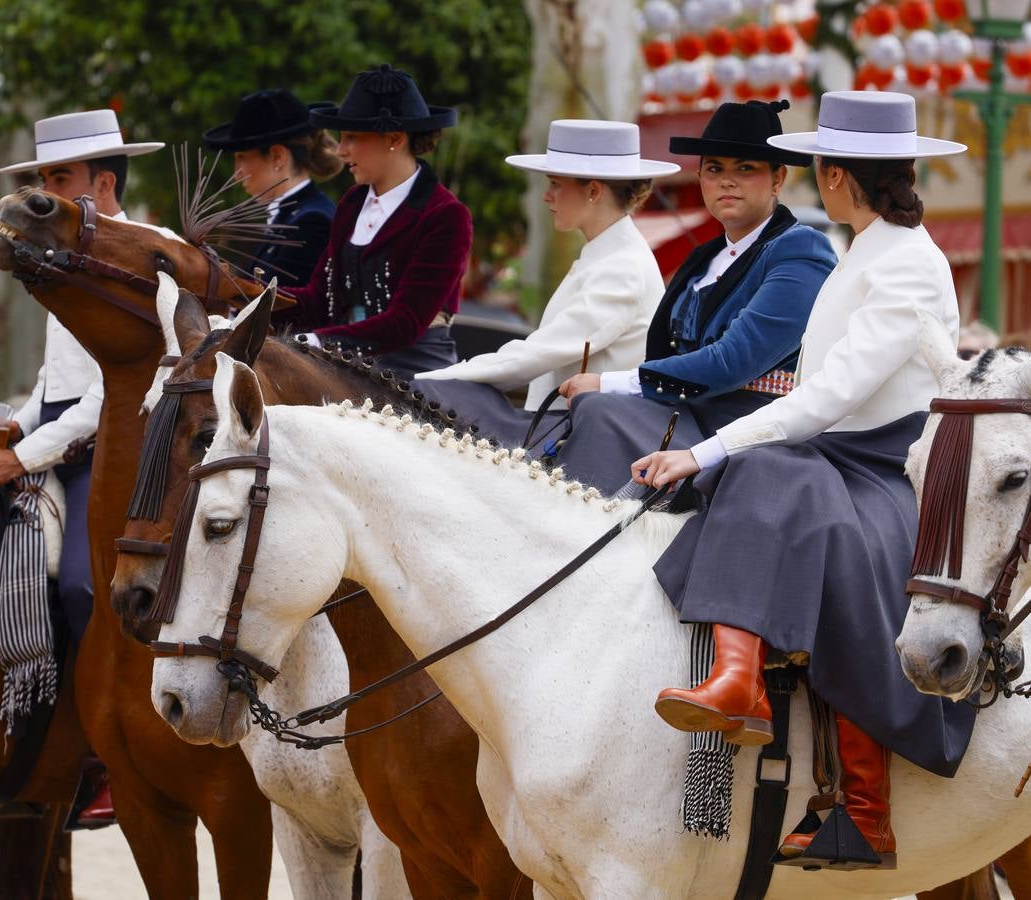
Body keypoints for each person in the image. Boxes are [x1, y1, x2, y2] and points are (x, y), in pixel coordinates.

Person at [635, 91, 975, 869]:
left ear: (828, 175)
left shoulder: (907, 261)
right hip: (840, 450)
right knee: (760, 472)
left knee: (756, 472)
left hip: (887, 464)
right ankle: (737, 680)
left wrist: (706, 448)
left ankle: (858, 801)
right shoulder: (863, 246)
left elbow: (827, 396)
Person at [0, 108, 163, 828]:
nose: (43, 191)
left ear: (102, 182)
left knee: (85, 584)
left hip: (122, 450)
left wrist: (20, 455)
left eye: (58, 178)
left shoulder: (150, 252)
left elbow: (109, 393)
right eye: (43, 177)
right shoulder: (59, 252)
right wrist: (11, 424)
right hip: (57, 433)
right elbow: (58, 383)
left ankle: (105, 753)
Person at [550, 100, 836, 491]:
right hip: (678, 419)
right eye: (715, 169)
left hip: (744, 432)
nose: (727, 181)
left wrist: (614, 382)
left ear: (778, 179)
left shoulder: (800, 249)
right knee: (587, 416)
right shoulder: (704, 257)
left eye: (745, 169)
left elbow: (733, 361)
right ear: (700, 176)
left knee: (601, 407)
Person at [412, 119, 678, 448]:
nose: (547, 196)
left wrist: (428, 380)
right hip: (563, 429)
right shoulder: (608, 254)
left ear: (593, 191)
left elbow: (538, 353)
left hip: (586, 444)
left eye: (554, 184)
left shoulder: (622, 266)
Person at [280, 64, 472, 375]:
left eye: (352, 137)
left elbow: (404, 323)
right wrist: (241, 295)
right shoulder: (353, 203)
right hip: (348, 365)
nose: (341, 151)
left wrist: (314, 343)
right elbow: (318, 299)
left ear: (395, 138)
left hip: (414, 372)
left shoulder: (446, 217)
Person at [202, 88, 340, 286]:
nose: (236, 172)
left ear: (278, 156)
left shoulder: (311, 221)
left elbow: (282, 308)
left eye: (242, 157)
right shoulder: (290, 215)